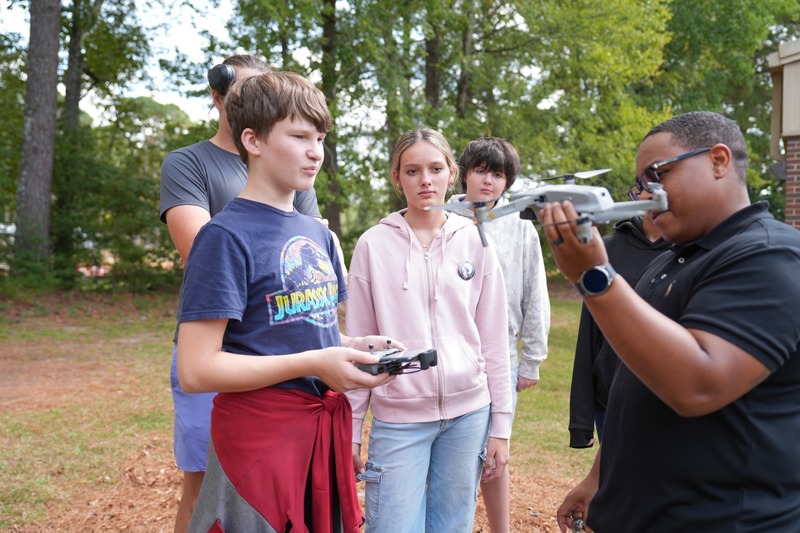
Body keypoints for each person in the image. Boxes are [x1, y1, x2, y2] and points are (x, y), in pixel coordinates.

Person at [544, 111, 800, 532]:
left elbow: (698, 385)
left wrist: (596, 280)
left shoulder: (770, 257)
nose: (646, 195)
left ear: (719, 161)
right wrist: (599, 480)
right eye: (640, 184)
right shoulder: (671, 260)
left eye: (657, 175)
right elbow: (638, 379)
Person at [176, 70, 398, 532]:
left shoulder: (318, 233)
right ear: (253, 140)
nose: (315, 150)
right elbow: (196, 370)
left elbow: (299, 331)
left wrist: (354, 345)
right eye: (299, 136)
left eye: (319, 137)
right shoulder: (222, 236)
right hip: (258, 444)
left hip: (319, 436)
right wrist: (317, 361)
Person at [159, 54, 324, 532]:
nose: (260, 103)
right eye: (249, 94)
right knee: (204, 484)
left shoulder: (294, 167)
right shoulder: (190, 163)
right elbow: (200, 245)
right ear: (219, 98)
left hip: (283, 348)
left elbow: (307, 246)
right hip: (214, 344)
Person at [346, 128, 513, 532]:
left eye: (436, 168)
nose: (425, 180)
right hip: (399, 419)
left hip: (468, 417)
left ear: (451, 173)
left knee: (450, 527)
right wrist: (351, 429)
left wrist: (501, 427)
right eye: (413, 170)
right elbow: (359, 346)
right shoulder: (372, 245)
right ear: (396, 177)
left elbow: (494, 339)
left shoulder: (474, 239)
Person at [452, 136, 551, 532]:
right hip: (452, 351)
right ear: (464, 174)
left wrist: (531, 360)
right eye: (480, 171)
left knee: (495, 451)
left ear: (507, 181)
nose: (488, 181)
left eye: (498, 174)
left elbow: (535, 295)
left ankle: (500, 528)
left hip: (502, 357)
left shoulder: (521, 230)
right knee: (455, 453)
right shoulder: (441, 218)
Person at [568, 215, 668, 448]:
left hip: (668, 399)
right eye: (645, 185)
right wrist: (580, 421)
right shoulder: (609, 248)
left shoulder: (692, 249)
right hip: (612, 398)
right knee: (616, 481)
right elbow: (589, 329)